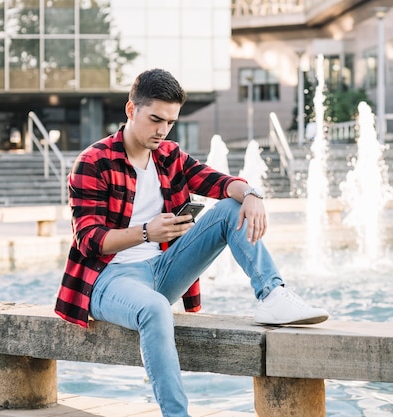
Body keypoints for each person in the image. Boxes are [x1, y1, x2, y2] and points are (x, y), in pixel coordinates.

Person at [54, 68, 329, 417]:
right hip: (109, 279)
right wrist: (146, 232)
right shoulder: (93, 162)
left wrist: (252, 193)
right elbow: (89, 241)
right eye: (155, 119)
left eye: (170, 122)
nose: (162, 130)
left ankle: (272, 294)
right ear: (130, 110)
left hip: (162, 271)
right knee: (154, 308)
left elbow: (219, 182)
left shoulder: (169, 155)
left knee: (231, 208)